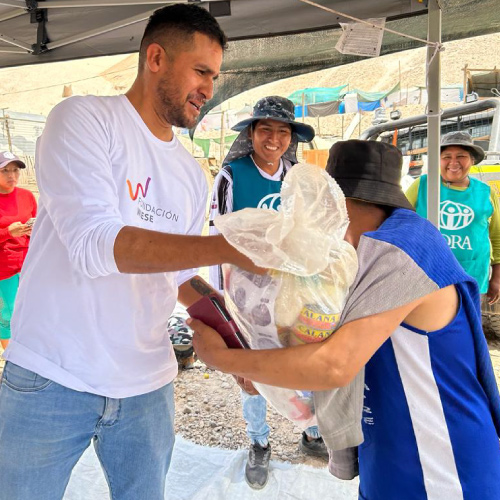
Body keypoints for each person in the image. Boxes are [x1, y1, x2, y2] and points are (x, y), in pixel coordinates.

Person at [0, 5, 255, 500]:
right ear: (155, 57)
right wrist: (230, 246)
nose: (209, 88)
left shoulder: (189, 172)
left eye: (215, 77)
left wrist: (242, 343)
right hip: (51, 374)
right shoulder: (84, 120)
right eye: (201, 71)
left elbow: (181, 278)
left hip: (146, 386)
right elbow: (95, 244)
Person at [191, 140, 500, 500]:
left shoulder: (399, 249)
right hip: (391, 451)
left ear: (338, 204)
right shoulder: (361, 251)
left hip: (440, 462)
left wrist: (221, 358)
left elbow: (333, 364)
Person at [208, 96, 327, 489]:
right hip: (246, 293)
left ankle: (311, 432)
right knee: (253, 368)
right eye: (265, 130)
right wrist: (223, 296)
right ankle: (259, 442)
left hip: (292, 289)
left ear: (291, 138)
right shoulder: (232, 175)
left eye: (282, 131)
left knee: (303, 357)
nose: (274, 139)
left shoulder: (297, 174)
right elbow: (219, 236)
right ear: (251, 134)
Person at [406, 131, 500, 304]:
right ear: (438, 160)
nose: (453, 162)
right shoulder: (422, 185)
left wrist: (497, 278)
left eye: (461, 156)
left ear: (472, 160)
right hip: (426, 276)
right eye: (446, 156)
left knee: (465, 328)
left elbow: (497, 238)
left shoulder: (486, 193)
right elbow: (399, 221)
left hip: (471, 278)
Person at [0, 152, 37, 350]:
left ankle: (29, 349)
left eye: (15, 170)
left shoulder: (27, 196)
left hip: (28, 263)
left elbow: (39, 224)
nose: (11, 175)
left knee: (31, 309)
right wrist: (8, 232)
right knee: (8, 312)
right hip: (4, 267)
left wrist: (33, 230)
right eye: (5, 170)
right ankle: (10, 356)